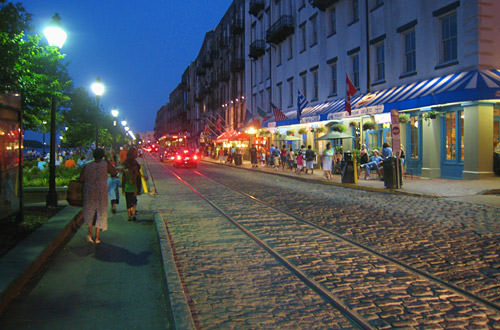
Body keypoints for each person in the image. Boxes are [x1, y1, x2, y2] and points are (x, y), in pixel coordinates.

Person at [80, 148, 116, 244]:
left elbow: (81, 178)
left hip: (90, 191)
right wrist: (107, 160)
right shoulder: (105, 165)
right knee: (101, 212)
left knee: (90, 212)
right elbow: (114, 172)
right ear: (103, 155)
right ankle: (97, 237)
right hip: (101, 191)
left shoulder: (87, 165)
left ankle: (89, 234)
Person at [122, 148, 141, 221]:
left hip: (127, 185)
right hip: (134, 184)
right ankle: (133, 213)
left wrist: (123, 187)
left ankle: (129, 215)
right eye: (135, 153)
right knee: (134, 200)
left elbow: (124, 175)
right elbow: (137, 174)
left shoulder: (126, 163)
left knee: (128, 200)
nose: (137, 154)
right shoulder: (134, 163)